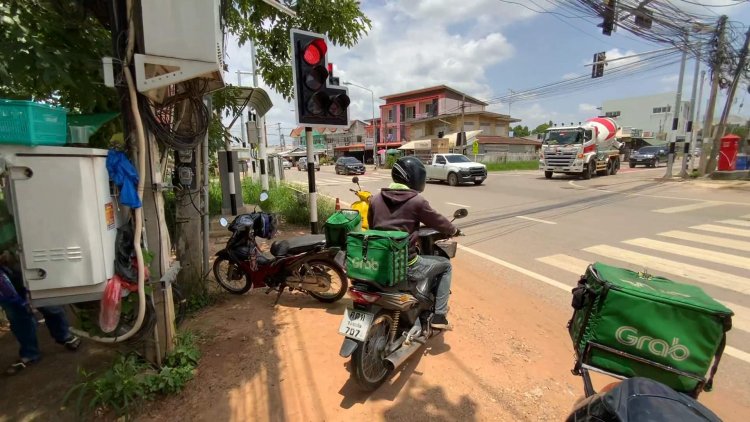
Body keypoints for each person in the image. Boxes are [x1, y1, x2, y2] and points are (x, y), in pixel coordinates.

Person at [367, 156, 460, 329]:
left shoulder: (375, 199)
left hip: (379, 261)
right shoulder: (417, 201)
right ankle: (439, 316)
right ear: (415, 178)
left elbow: (373, 226)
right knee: (446, 265)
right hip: (407, 265)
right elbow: (438, 221)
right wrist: (453, 230)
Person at [0, 196, 80, 376]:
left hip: (23, 260)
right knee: (15, 312)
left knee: (47, 301)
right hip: (2, 274)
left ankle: (64, 336)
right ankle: (29, 353)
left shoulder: (7, 204)